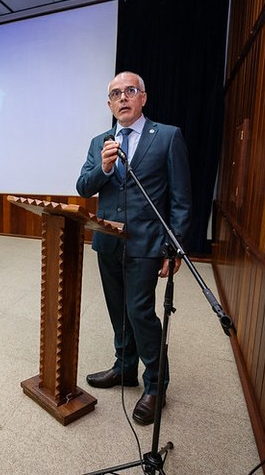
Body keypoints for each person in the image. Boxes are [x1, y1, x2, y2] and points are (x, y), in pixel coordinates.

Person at [76, 71, 192, 426]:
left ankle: (156, 386)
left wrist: (174, 247)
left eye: (130, 91)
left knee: (140, 312)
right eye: (115, 94)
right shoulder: (100, 142)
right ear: (109, 104)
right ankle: (124, 368)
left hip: (147, 244)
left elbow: (181, 199)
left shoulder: (167, 136)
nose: (122, 98)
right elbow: (83, 186)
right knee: (118, 312)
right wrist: (105, 168)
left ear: (143, 97)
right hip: (108, 241)